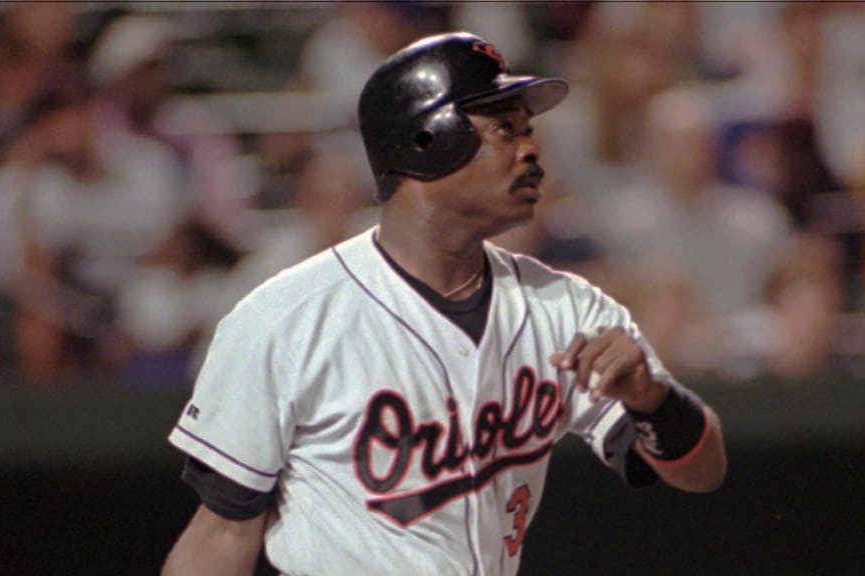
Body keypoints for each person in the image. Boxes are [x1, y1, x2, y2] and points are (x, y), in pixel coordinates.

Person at [163, 33, 727, 576]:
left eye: (527, 128)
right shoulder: (286, 320)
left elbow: (702, 473)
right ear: (427, 141)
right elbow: (221, 533)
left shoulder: (565, 308)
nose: (532, 148)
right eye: (504, 129)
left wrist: (653, 398)